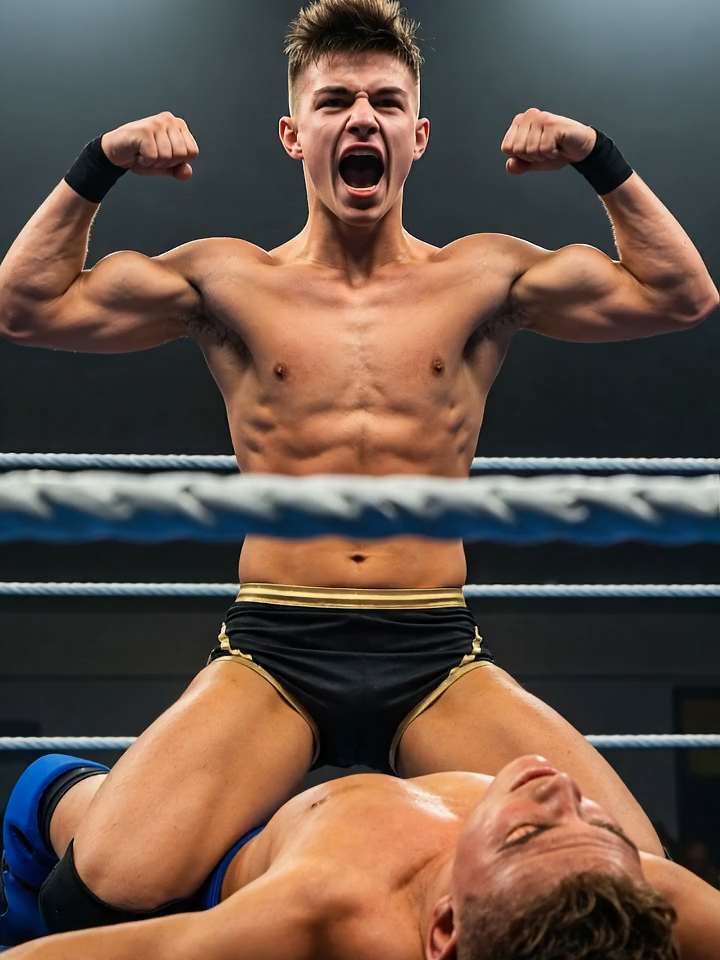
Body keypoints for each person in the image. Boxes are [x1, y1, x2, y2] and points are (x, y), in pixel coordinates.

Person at [0, 0, 717, 941]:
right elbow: (25, 304)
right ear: (297, 133)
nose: (361, 119)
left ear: (416, 135)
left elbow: (682, 294)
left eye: (384, 101)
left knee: (633, 881)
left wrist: (598, 156)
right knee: (104, 888)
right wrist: (101, 164)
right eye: (335, 101)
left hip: (433, 649)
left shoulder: (483, 276)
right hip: (277, 647)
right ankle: (88, 803)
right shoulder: (228, 279)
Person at [4, 754, 720, 959]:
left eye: (525, 835)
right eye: (601, 824)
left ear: (444, 928)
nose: (563, 791)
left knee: (84, 834)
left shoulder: (330, 905)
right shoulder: (633, 894)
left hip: (242, 855)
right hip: (411, 688)